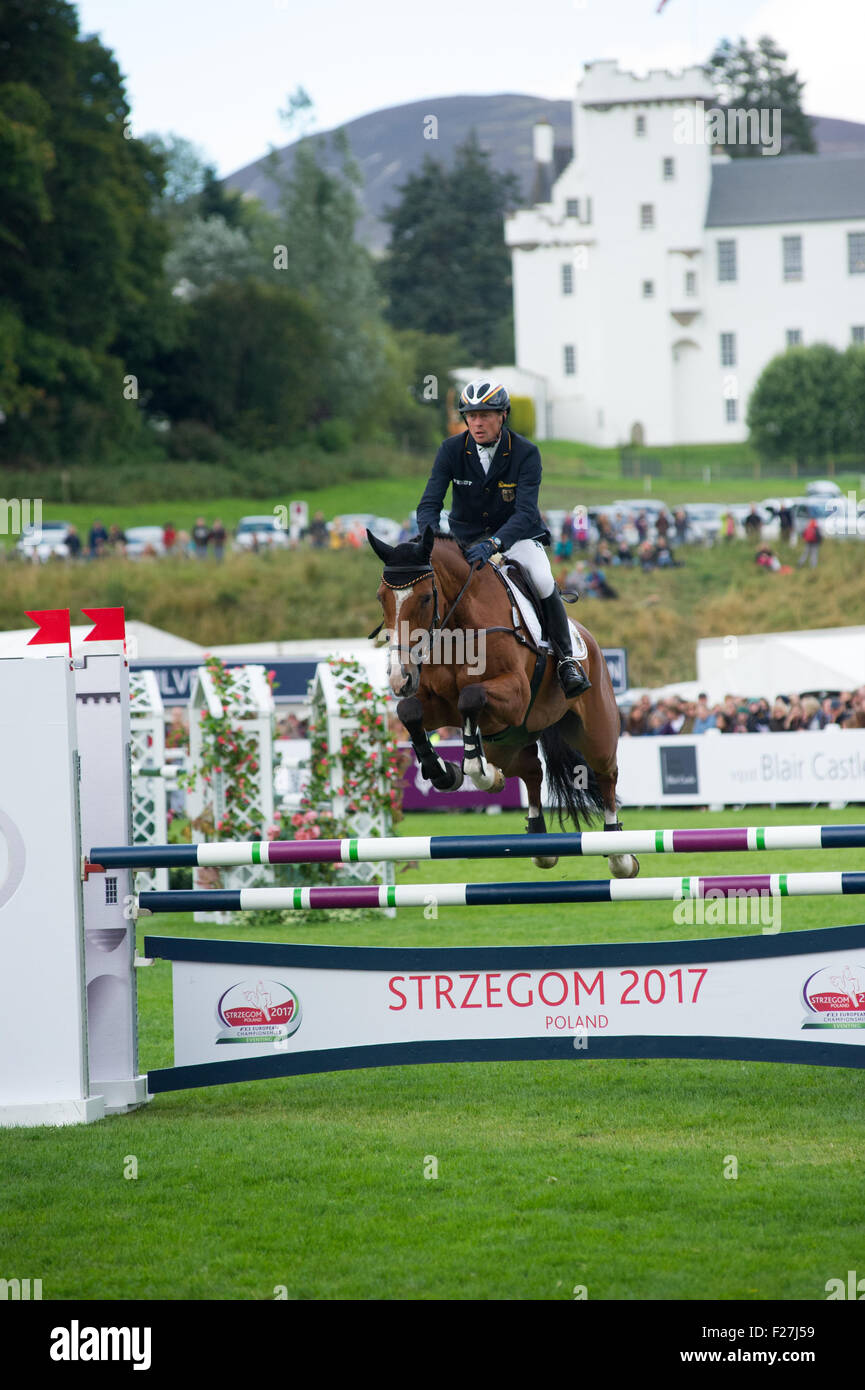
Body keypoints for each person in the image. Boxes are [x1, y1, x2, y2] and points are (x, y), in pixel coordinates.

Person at [414, 379, 591, 697]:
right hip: (464, 539)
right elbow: (429, 504)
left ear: (503, 415)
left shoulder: (525, 453)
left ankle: (566, 660)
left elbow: (524, 513)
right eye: (471, 416)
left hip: (517, 536)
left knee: (541, 578)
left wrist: (495, 544)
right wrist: (430, 542)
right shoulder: (451, 450)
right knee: (429, 585)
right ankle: (420, 662)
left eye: (485, 415)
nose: (477, 423)